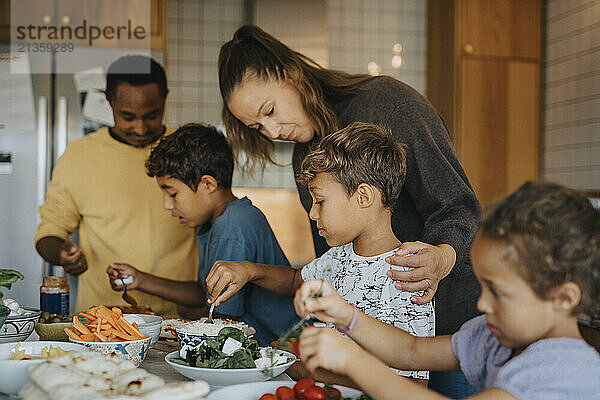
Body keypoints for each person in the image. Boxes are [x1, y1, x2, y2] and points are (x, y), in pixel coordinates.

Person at [219, 25, 480, 395]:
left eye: (271, 111)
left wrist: (441, 257)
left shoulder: (385, 103)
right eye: (258, 126)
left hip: (448, 326)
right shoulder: (305, 153)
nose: (272, 131)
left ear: (290, 75)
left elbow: (458, 204)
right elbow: (331, 263)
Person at [294, 181, 600, 399]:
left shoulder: (566, 369)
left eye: (498, 292)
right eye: (484, 287)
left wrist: (353, 362)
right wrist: (346, 315)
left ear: (563, 298)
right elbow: (410, 351)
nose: (482, 304)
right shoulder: (493, 337)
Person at [206, 122, 434, 384]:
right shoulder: (339, 256)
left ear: (363, 196)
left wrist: (301, 366)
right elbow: (295, 280)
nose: (313, 213)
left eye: (321, 201)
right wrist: (249, 270)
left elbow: (412, 386)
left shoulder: (410, 275)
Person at [34, 55, 197, 315]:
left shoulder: (188, 150)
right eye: (128, 116)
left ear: (165, 97)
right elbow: (48, 233)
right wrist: (63, 253)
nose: (141, 127)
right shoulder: (80, 156)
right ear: (108, 100)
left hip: (178, 322)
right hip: (101, 321)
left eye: (152, 115)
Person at [106, 123, 297, 345]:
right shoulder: (211, 222)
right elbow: (205, 292)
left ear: (208, 184)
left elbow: (224, 321)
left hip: (279, 348)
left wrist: (178, 316)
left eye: (173, 194)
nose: (167, 205)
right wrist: (139, 279)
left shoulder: (232, 226)